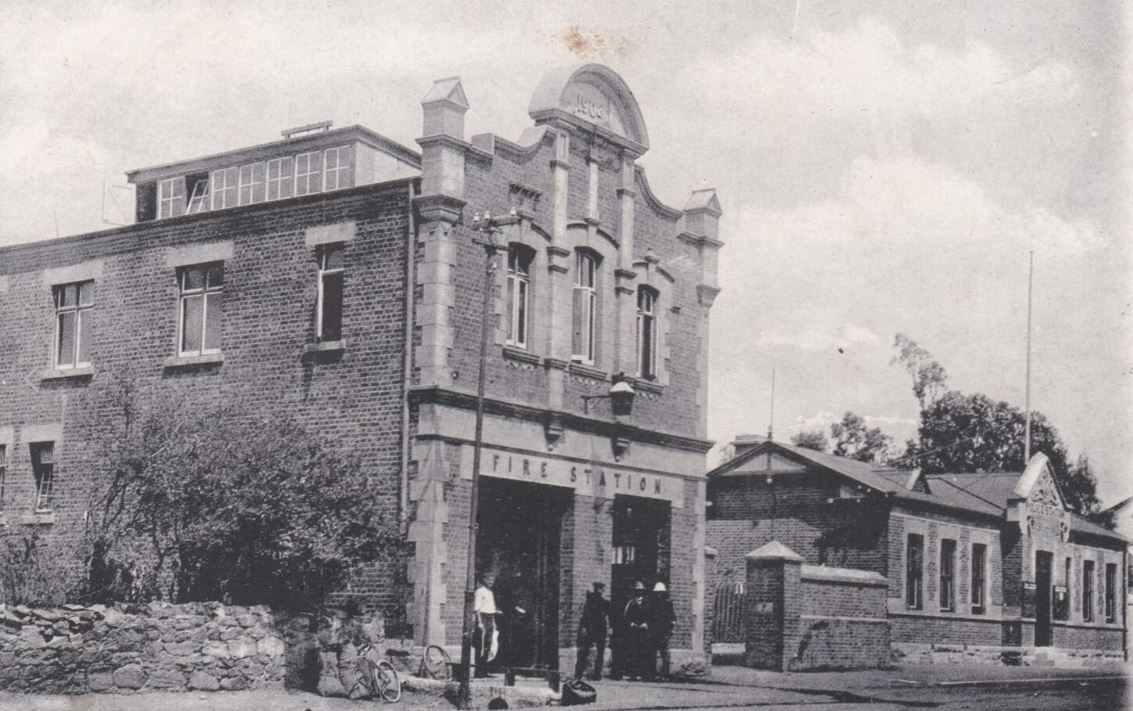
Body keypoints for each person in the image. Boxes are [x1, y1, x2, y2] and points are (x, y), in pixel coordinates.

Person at [574, 581, 612, 680]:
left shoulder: (605, 603)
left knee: (600, 652)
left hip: (600, 630)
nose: (601, 591)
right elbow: (584, 617)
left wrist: (611, 627)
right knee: (584, 651)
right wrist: (583, 627)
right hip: (590, 629)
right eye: (600, 589)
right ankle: (579, 672)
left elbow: (612, 616)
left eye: (602, 589)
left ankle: (596, 673)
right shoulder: (589, 603)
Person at [621, 581, 651, 680]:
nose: (639, 593)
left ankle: (644, 675)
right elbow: (626, 617)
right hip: (633, 631)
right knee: (633, 652)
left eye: (641, 591)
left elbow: (652, 616)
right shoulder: (631, 603)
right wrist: (631, 623)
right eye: (637, 591)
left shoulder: (647, 603)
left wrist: (646, 623)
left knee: (644, 652)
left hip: (644, 631)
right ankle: (633, 674)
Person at [473, 572, 500, 677]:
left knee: (489, 645)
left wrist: (493, 621)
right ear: (484, 579)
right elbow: (477, 609)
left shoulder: (490, 592)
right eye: (489, 580)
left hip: (490, 618)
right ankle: (478, 671)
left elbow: (490, 608)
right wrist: (479, 622)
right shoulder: (480, 591)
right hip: (483, 619)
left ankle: (485, 670)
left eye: (492, 580)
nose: (491, 582)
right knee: (481, 645)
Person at [649, 582, 677, 680]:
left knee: (664, 654)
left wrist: (669, 629)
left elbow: (673, 617)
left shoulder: (668, 603)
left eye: (660, 592)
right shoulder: (652, 603)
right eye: (657, 592)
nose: (659, 594)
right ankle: (652, 674)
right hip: (654, 631)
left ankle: (664, 675)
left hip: (664, 631)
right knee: (652, 653)